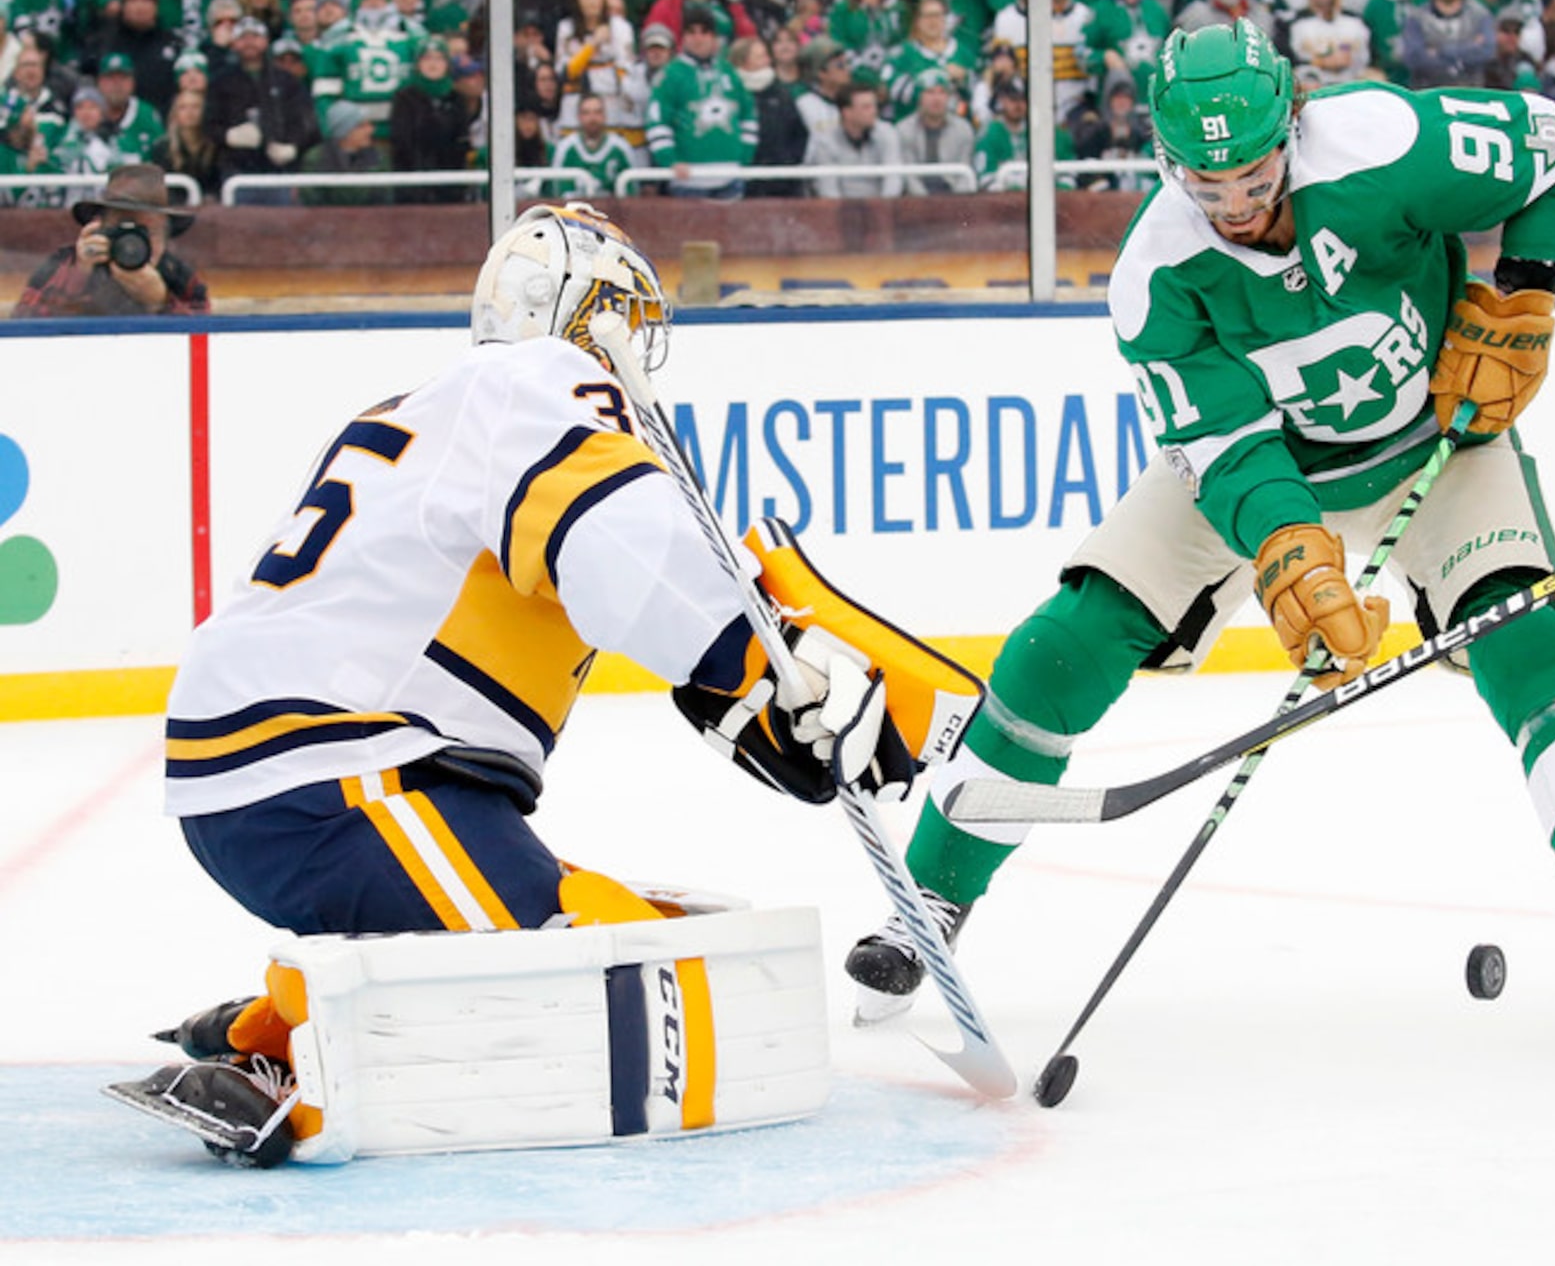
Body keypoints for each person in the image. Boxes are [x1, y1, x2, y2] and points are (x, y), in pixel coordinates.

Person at [844, 21, 1555, 1032]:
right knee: (1061, 645)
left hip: (1438, 439)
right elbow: (1223, 451)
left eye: (1253, 174)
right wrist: (1291, 555)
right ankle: (930, 903)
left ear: (1291, 125)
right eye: (1206, 186)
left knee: (1523, 638)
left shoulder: (1386, 143)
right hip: (1266, 468)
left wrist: (1521, 289)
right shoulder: (1155, 277)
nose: (1238, 207)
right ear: (1167, 166)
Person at [128, 204, 943, 1166]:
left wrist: (754, 686)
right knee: (607, 979)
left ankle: (263, 1028)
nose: (634, 349)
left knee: (579, 930)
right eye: (624, 318)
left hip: (302, 770)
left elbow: (608, 582)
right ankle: (295, 1056)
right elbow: (625, 546)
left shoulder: (431, 406)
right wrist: (764, 669)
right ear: (583, 315)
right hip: (339, 780)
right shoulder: (538, 378)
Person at [13, 162, 211, 318]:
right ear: (100, 227)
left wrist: (160, 302)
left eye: (146, 231)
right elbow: (23, 330)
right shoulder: (65, 264)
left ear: (167, 237)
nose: (132, 244)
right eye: (123, 227)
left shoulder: (180, 277)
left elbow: (207, 342)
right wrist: (79, 276)